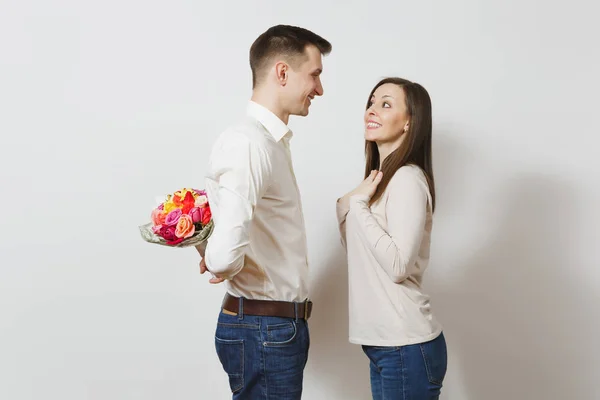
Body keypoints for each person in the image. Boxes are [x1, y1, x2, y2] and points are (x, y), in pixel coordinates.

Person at [196, 25, 332, 399]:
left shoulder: (266, 142)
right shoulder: (249, 144)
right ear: (283, 72)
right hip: (264, 329)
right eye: (315, 75)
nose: (319, 89)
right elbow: (223, 258)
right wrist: (217, 256)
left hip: (270, 328)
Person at [336, 77, 448, 399]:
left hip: (405, 343)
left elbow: (398, 265)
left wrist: (356, 204)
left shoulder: (407, 179)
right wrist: (350, 203)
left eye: (386, 104)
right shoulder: (378, 183)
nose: (372, 110)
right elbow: (360, 253)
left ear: (409, 122)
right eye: (372, 102)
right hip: (386, 345)